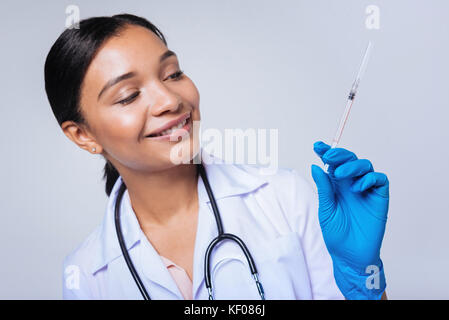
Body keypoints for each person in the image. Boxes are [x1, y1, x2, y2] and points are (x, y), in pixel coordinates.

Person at [44, 14, 389, 300]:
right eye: (129, 95)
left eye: (172, 74)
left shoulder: (285, 198)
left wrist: (363, 278)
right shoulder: (87, 274)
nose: (169, 100)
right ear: (82, 135)